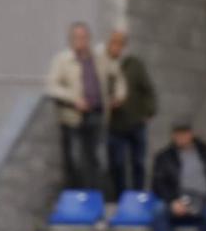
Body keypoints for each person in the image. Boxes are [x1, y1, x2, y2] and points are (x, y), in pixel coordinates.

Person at [45, 21, 119, 195]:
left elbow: (116, 76)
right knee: (74, 158)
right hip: (73, 116)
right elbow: (51, 86)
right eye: (77, 37)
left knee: (94, 158)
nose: (81, 40)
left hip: (96, 114)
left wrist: (117, 95)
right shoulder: (63, 60)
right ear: (71, 40)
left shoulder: (98, 58)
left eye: (84, 37)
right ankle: (73, 197)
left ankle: (92, 198)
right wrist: (74, 99)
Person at [148, 124, 206, 231]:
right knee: (158, 211)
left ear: (191, 134)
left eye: (184, 133)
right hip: (176, 199)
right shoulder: (164, 157)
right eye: (177, 134)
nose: (181, 137)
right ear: (173, 135)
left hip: (205, 200)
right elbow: (158, 183)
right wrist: (172, 201)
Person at [103, 30, 155, 198]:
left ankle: (137, 196)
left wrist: (149, 111)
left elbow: (147, 89)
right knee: (117, 163)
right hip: (115, 125)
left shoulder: (134, 64)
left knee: (138, 162)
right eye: (113, 42)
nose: (116, 47)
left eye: (120, 43)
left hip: (136, 122)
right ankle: (121, 197)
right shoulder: (103, 64)